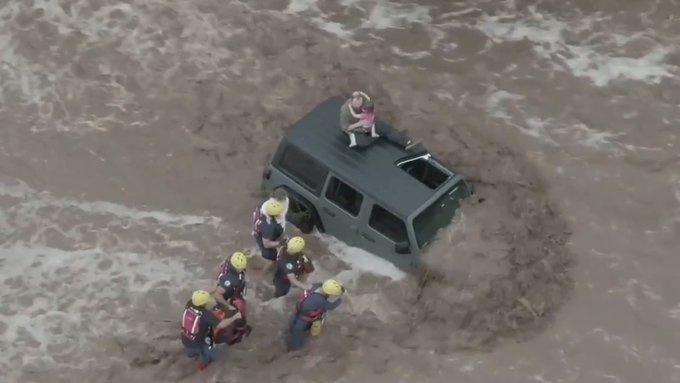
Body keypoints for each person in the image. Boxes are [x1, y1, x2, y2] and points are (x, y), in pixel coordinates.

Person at [181, 290, 243, 370]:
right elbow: (222, 324)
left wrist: (214, 290)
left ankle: (192, 354)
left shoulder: (189, 304)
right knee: (214, 355)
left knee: (192, 351)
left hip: (185, 338)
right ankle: (206, 360)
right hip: (199, 342)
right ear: (203, 304)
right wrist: (235, 317)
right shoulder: (205, 314)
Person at [339, 90, 422, 150]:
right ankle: (375, 137)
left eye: (360, 102)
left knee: (385, 128)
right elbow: (345, 128)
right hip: (356, 128)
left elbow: (370, 106)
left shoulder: (364, 101)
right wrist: (359, 125)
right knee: (362, 143)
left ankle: (406, 142)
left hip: (369, 122)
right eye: (357, 104)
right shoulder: (345, 111)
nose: (360, 105)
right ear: (351, 101)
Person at [286, 279, 346, 351]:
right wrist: (340, 300)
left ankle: (296, 335)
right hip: (303, 320)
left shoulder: (315, 287)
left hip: (296, 314)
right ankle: (296, 349)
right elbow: (331, 306)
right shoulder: (321, 300)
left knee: (294, 328)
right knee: (297, 338)